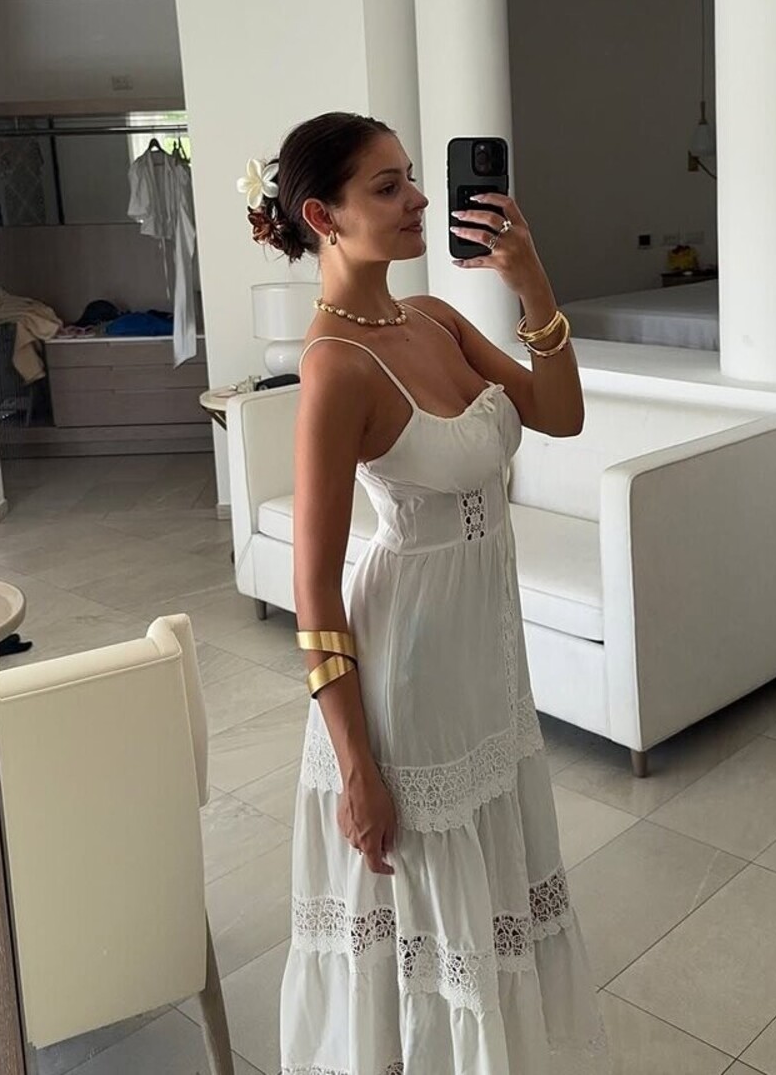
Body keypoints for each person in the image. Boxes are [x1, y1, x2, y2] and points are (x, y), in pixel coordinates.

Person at [245, 113, 604, 1074]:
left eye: (411, 177)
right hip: (403, 674)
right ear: (322, 216)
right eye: (387, 187)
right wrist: (355, 767)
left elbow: (561, 413)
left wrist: (532, 284)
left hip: (481, 659)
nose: (418, 200)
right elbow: (313, 590)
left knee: (490, 890)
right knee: (422, 915)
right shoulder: (335, 368)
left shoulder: (435, 319)